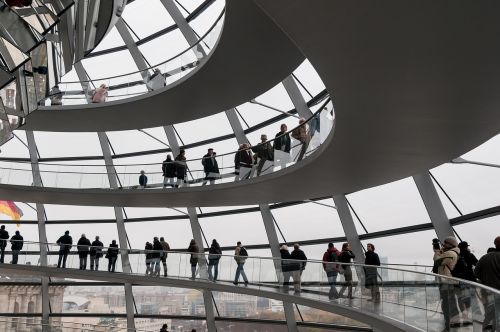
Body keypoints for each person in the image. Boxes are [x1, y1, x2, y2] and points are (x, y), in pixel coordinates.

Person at [433, 236, 460, 331]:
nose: (443, 245)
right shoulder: (451, 252)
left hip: (447, 283)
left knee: (447, 306)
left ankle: (450, 326)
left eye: (445, 243)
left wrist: (437, 251)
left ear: (449, 244)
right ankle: (453, 324)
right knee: (450, 304)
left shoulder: (450, 253)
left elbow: (436, 261)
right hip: (448, 282)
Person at [475, 236, 500, 331]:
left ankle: (488, 328)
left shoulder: (484, 257)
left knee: (489, 313)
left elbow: (476, 273)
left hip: (487, 291)